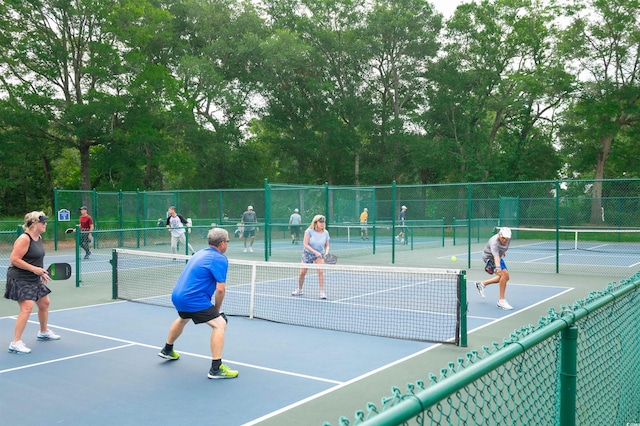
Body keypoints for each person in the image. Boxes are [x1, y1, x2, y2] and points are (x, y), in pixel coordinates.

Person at [158, 228, 238, 379]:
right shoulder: (219, 259)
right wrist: (217, 311)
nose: (227, 244)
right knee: (220, 324)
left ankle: (167, 349)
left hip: (178, 295)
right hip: (193, 298)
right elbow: (220, 289)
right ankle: (216, 368)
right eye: (227, 241)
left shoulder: (200, 253)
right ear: (222, 243)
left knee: (183, 318)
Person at [5, 211, 60, 354]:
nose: (45, 224)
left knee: (44, 303)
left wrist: (40, 271)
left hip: (33, 277)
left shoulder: (38, 237)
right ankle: (15, 343)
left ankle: (43, 332)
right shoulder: (24, 238)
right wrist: (35, 269)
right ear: (34, 224)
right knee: (27, 307)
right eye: (43, 222)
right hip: (19, 277)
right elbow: (15, 259)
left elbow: (36, 258)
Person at [291, 214, 330, 300]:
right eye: (320, 222)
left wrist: (326, 253)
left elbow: (327, 245)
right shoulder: (309, 231)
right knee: (302, 273)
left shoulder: (326, 233)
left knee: (320, 271)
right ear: (315, 223)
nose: (322, 224)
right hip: (308, 253)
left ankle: (322, 292)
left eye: (323, 222)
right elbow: (305, 244)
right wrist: (315, 252)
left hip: (319, 255)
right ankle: (299, 289)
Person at [475, 227, 513, 310]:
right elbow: (495, 257)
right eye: (503, 238)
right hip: (490, 259)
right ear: (499, 234)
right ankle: (501, 301)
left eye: (506, 238)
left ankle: (482, 284)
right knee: (504, 274)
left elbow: (502, 249)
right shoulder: (494, 242)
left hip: (498, 257)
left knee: (506, 277)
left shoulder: (507, 239)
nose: (504, 240)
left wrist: (503, 252)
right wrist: (498, 268)